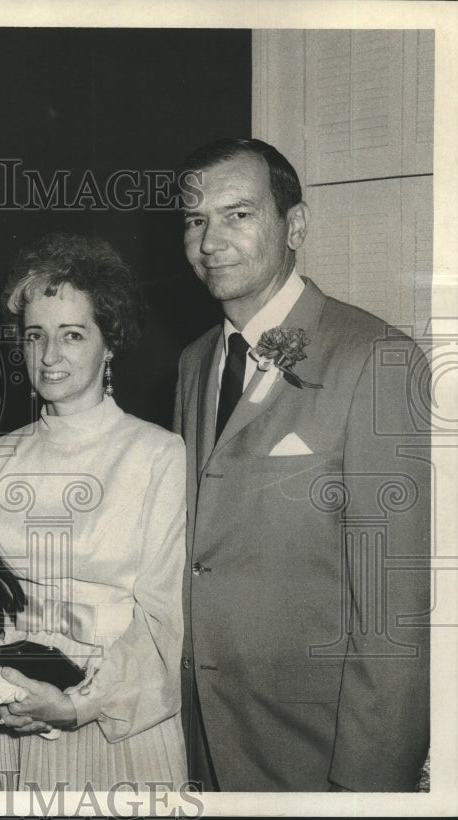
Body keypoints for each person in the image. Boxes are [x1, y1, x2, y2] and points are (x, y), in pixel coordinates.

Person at [174, 137, 430, 791]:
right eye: (195, 220)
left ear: (297, 226)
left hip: (316, 761)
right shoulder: (195, 361)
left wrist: (369, 791)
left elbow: (393, 614)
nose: (211, 241)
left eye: (238, 215)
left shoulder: (375, 358)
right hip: (205, 747)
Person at [0, 233, 187, 791]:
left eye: (72, 335)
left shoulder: (159, 455)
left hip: (122, 722)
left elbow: (167, 621)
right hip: (16, 722)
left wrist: (76, 705)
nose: (50, 356)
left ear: (109, 342)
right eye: (35, 336)